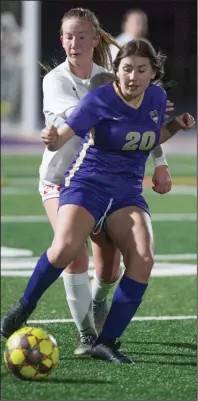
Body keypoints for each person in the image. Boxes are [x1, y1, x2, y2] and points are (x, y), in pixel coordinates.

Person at [1, 12, 172, 356]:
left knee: (111, 269)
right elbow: (82, 119)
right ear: (61, 39)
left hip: (114, 184)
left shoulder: (112, 78)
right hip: (62, 179)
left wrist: (160, 157)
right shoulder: (57, 81)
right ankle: (84, 336)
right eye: (67, 36)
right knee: (72, 254)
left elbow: (143, 128)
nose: (74, 43)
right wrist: (127, 98)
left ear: (96, 40)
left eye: (81, 36)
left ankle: (98, 305)